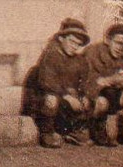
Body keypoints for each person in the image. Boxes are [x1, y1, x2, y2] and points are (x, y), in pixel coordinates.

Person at [22, 18, 91, 148]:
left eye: (78, 44)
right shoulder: (51, 55)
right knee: (51, 98)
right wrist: (67, 96)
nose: (74, 46)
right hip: (41, 101)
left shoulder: (80, 60)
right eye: (71, 41)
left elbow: (84, 81)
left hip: (63, 100)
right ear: (61, 39)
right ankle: (46, 132)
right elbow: (47, 83)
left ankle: (73, 131)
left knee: (85, 100)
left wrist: (83, 96)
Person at [84, 23, 123, 147]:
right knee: (108, 92)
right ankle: (98, 130)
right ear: (108, 40)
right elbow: (86, 81)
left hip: (113, 94)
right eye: (118, 42)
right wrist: (109, 80)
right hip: (92, 96)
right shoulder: (93, 52)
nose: (121, 48)